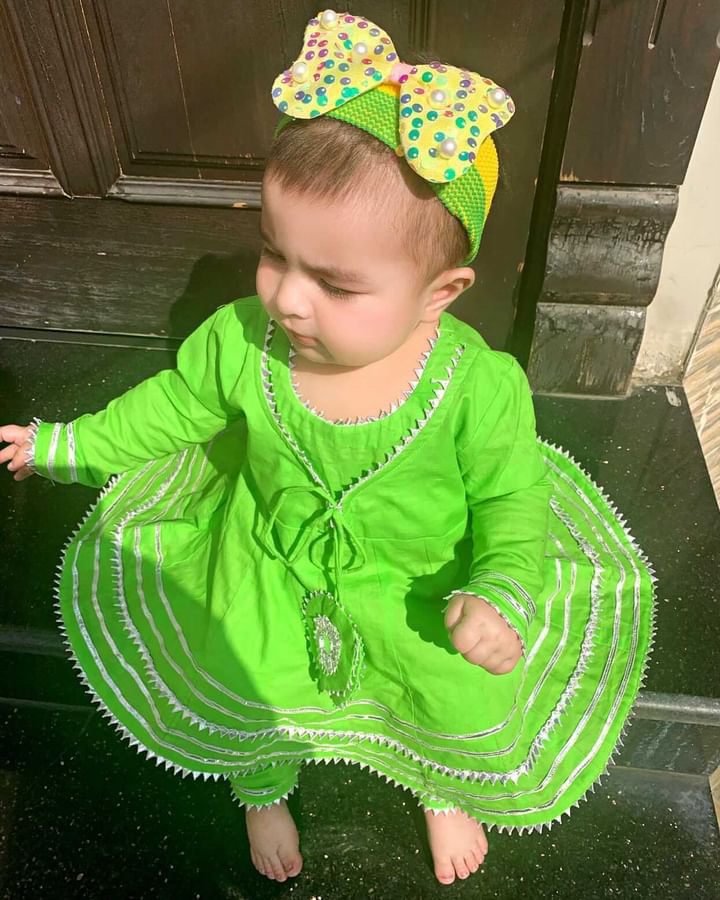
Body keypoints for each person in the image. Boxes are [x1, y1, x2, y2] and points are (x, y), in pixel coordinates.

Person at [0, 8, 657, 888]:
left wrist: (500, 587)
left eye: (337, 285)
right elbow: (173, 409)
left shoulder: (476, 386)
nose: (287, 299)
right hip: (269, 559)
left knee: (454, 688)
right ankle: (261, 781)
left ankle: (440, 778)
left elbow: (511, 497)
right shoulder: (244, 341)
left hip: (423, 580)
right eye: (275, 254)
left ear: (440, 294)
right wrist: (70, 443)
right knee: (249, 670)